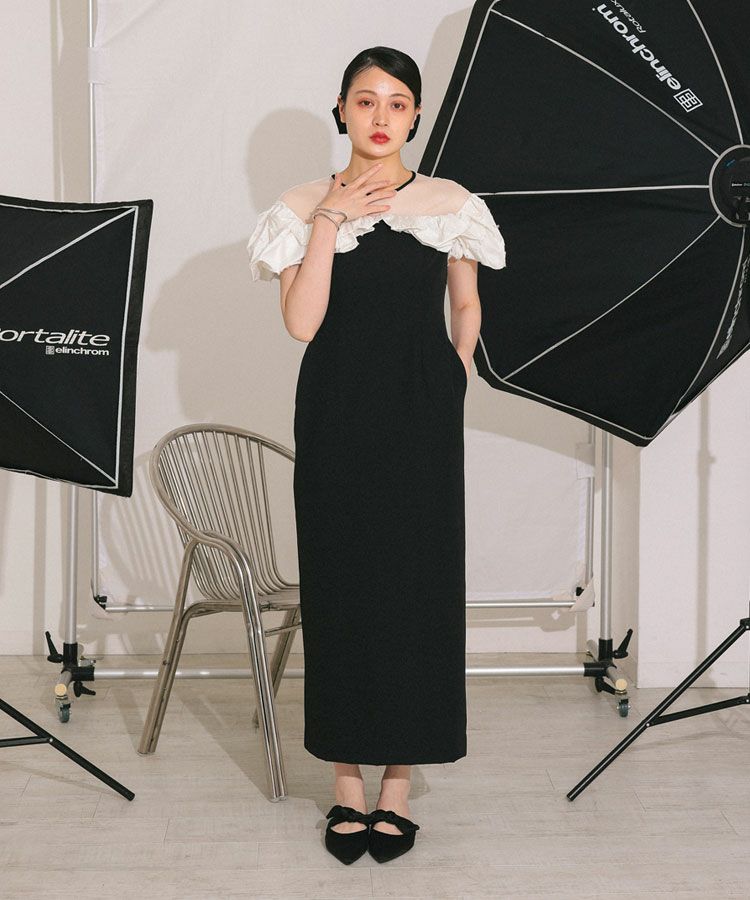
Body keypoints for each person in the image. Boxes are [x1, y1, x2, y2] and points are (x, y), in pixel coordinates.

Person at [246, 46, 506, 865]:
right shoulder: (299, 206)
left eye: (398, 102)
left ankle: (398, 783)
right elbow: (302, 322)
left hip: (422, 415)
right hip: (336, 414)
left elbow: (467, 303)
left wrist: (453, 376)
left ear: (416, 114)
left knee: (418, 590)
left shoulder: (449, 203)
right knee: (343, 587)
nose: (382, 116)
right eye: (366, 101)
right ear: (342, 110)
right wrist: (331, 216)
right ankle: (346, 785)